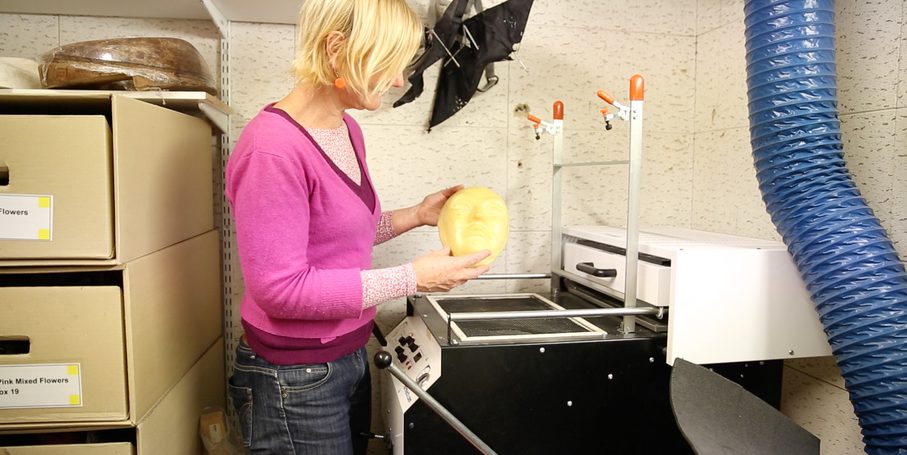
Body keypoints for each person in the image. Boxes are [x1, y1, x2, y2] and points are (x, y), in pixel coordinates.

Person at [224, 0, 491, 453]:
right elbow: (279, 289)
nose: (399, 80)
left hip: (346, 356)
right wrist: (411, 278)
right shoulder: (271, 149)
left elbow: (338, 235)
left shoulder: (347, 129)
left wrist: (417, 214)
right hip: (294, 377)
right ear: (336, 48)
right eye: (390, 62)